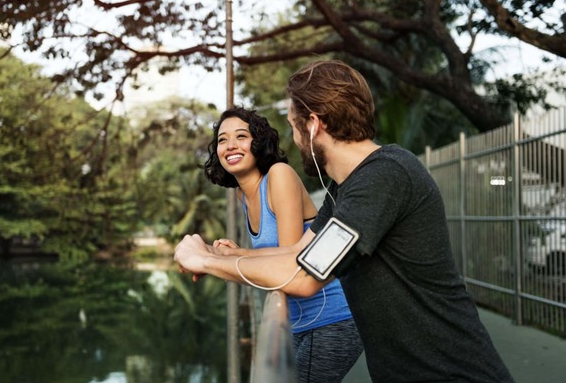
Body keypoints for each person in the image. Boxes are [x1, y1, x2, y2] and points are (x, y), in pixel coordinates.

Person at [175, 60, 515, 383]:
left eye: (294, 126)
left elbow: (304, 276)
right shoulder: (345, 186)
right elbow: (297, 253)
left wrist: (202, 260)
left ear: (313, 124)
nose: (294, 140)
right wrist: (219, 256)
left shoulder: (385, 176)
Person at [203, 106, 363, 383]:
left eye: (241, 136)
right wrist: (237, 252)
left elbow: (289, 264)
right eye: (222, 140)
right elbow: (277, 255)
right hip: (297, 322)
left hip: (331, 318)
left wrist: (224, 258)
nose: (230, 145)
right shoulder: (245, 195)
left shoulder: (279, 175)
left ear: (258, 142)